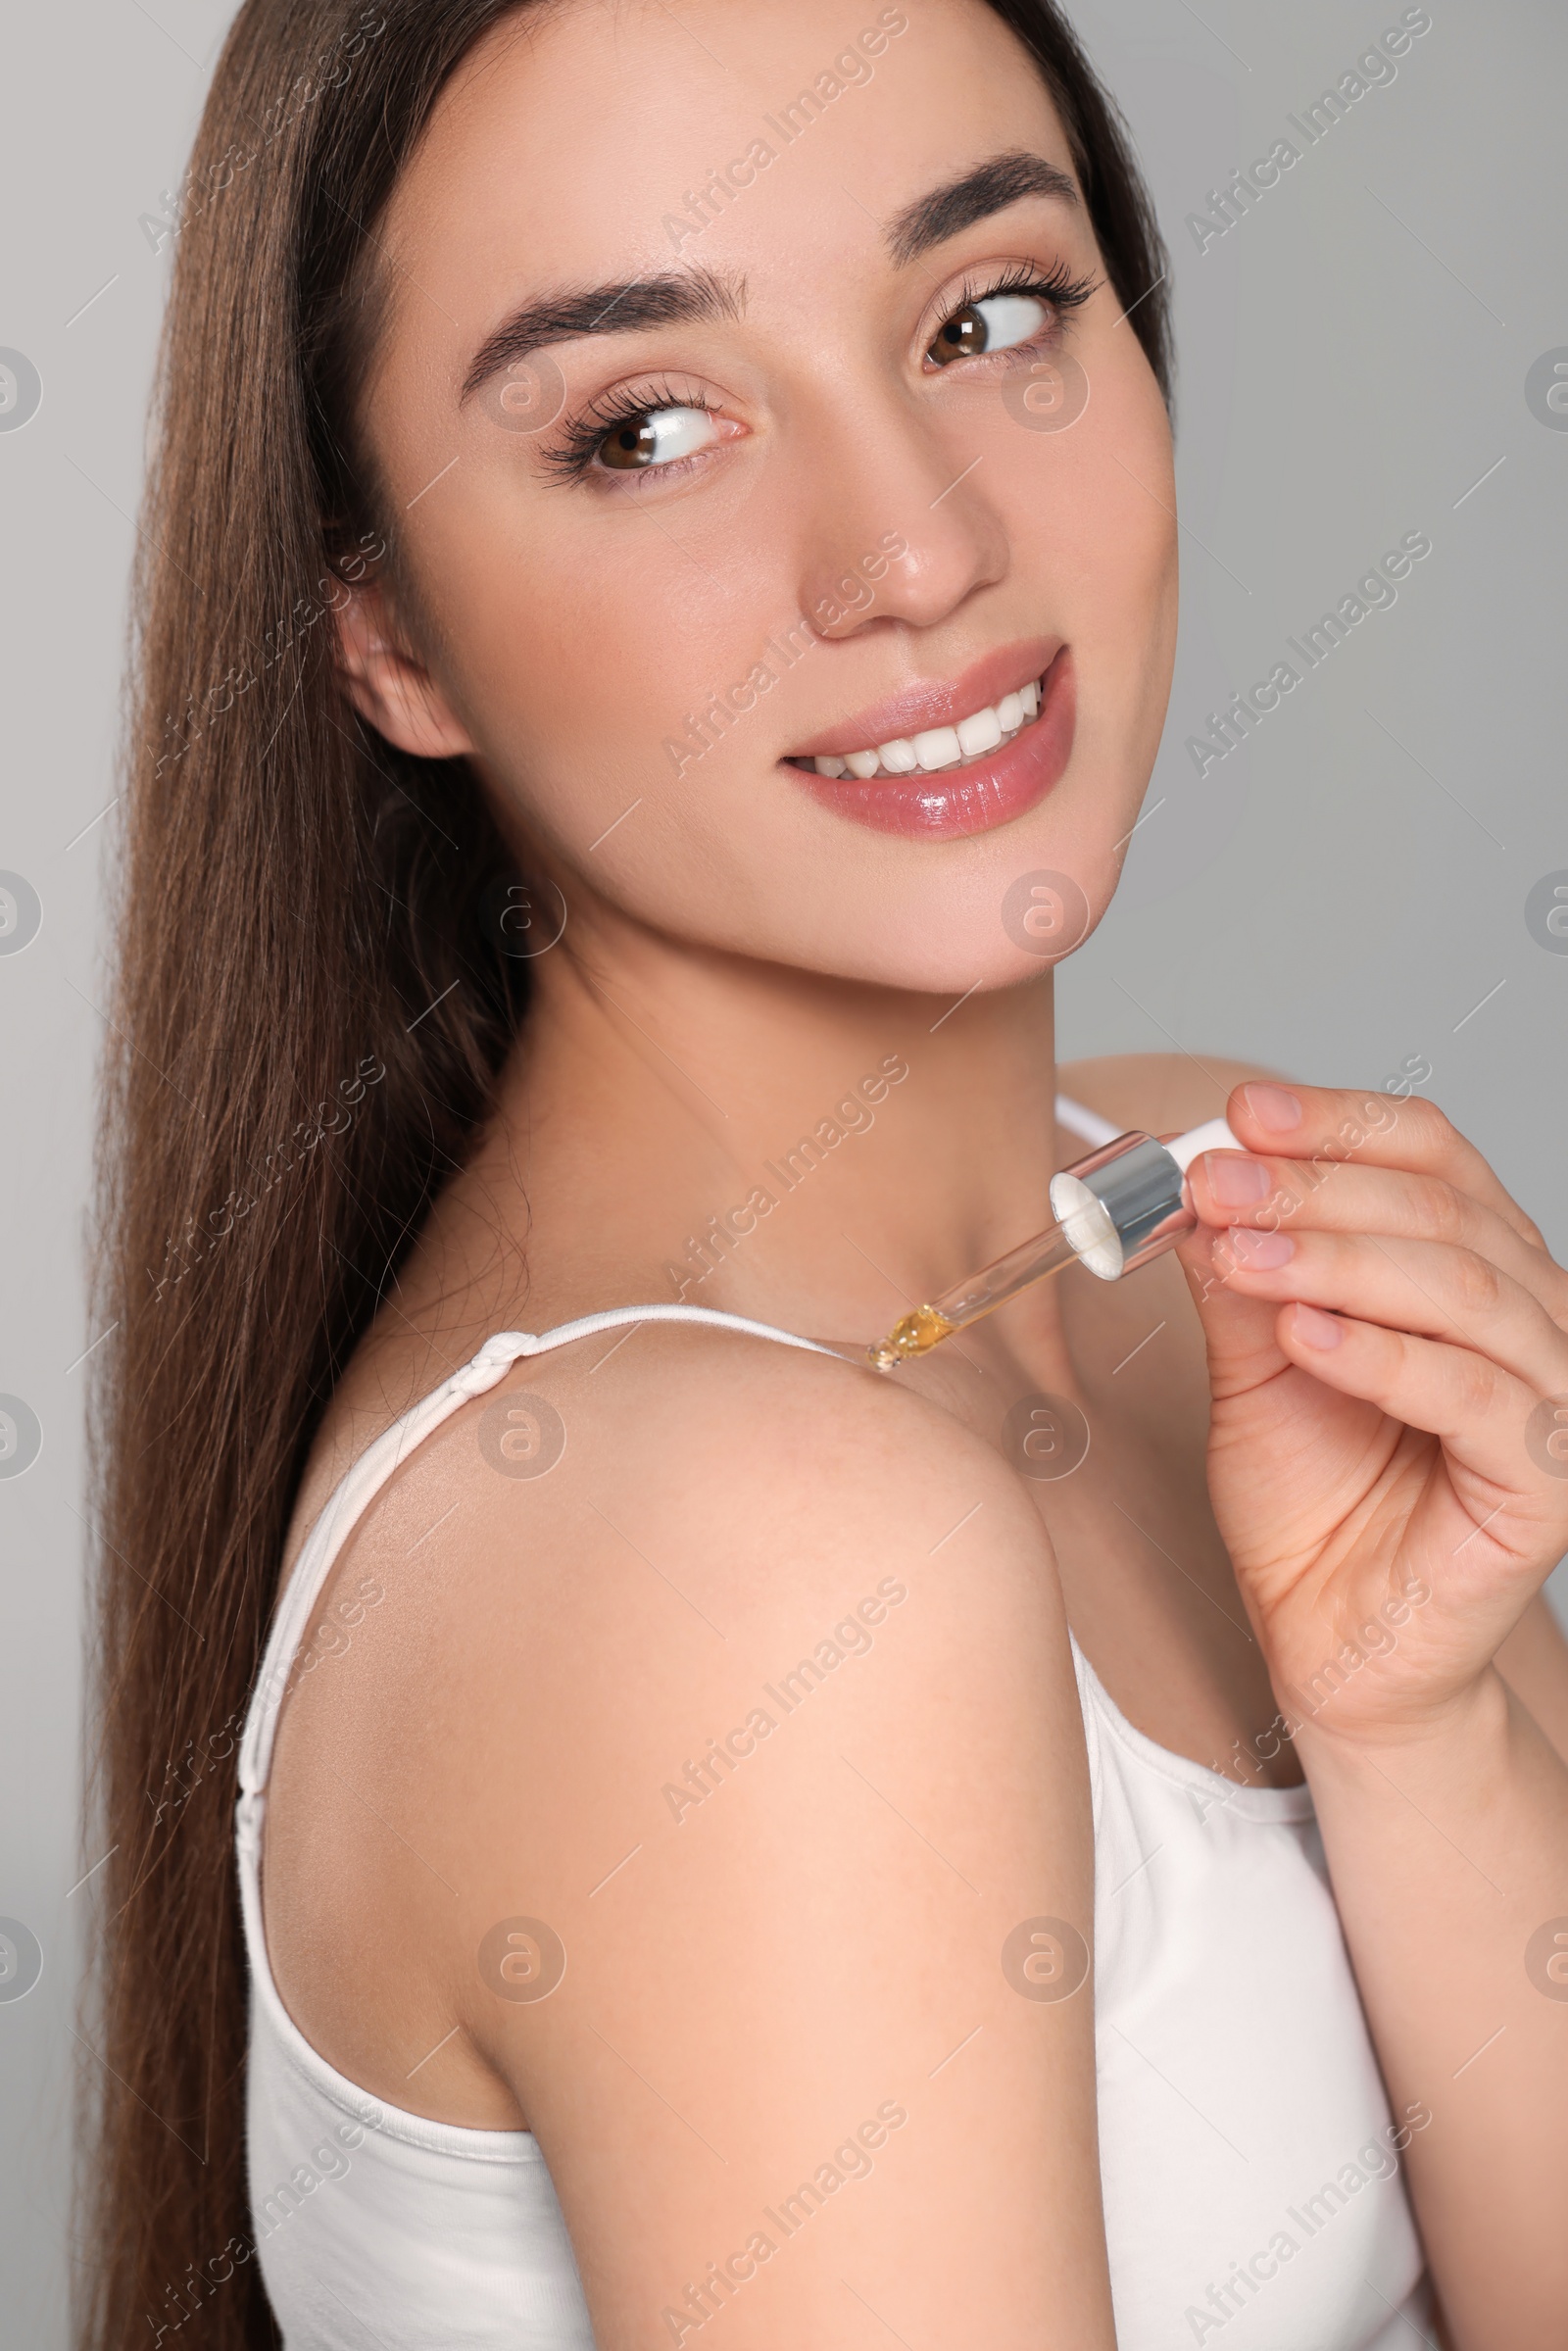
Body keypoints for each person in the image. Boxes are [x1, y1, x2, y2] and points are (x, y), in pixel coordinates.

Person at [88, 2, 1568, 2345]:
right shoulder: (725, 1556)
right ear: (383, 633)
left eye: (984, 314)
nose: (917, 547)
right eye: (644, 426)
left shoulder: (1194, 1215)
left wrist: (1420, 1730)